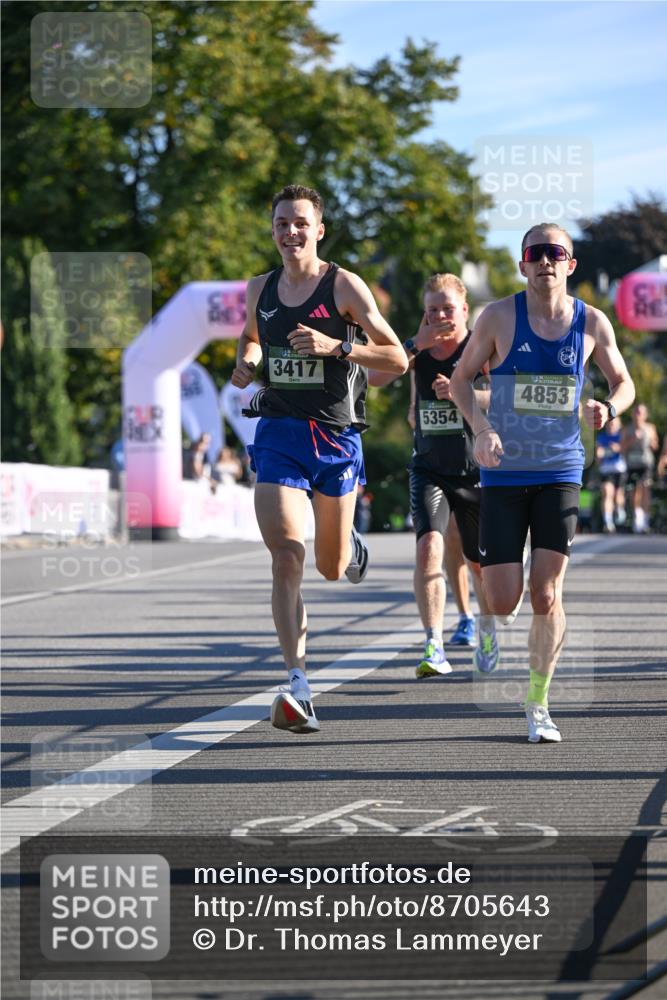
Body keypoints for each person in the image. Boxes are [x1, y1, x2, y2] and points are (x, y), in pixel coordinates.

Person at [231, 183, 407, 734]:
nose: (290, 232)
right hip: (280, 431)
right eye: (282, 223)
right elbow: (252, 337)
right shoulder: (259, 287)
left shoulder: (344, 286)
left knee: (330, 568)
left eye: (300, 223)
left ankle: (350, 542)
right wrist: (247, 362)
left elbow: (398, 358)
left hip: (336, 438)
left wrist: (339, 347)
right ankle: (298, 683)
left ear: (319, 229)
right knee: (287, 553)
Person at [450, 222, 635, 743]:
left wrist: (608, 408)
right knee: (503, 598)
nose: (546, 261)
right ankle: (489, 618)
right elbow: (462, 380)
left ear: (570, 265)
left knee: (546, 591)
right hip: (504, 472)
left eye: (556, 253)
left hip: (560, 469)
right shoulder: (497, 317)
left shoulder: (592, 323)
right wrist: (481, 429)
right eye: (536, 253)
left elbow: (624, 382)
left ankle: (538, 702)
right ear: (523, 264)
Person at [371, 273, 500, 677]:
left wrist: (464, 393)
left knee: (479, 563)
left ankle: (487, 627)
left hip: (474, 468)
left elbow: (504, 398)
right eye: (432, 310)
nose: (440, 316)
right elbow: (374, 378)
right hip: (429, 467)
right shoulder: (418, 349)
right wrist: (412, 344)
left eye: (447, 308)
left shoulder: (480, 347)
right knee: (428, 549)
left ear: (464, 310)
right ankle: (433, 644)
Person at [621, 404, 659, 533]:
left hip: (646, 463)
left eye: (640, 412)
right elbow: (622, 448)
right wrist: (632, 440)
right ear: (632, 415)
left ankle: (646, 520)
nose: (638, 415)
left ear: (645, 415)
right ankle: (638, 516)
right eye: (636, 412)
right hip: (632, 464)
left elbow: (655, 445)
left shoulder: (650, 428)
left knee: (645, 488)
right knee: (634, 491)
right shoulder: (627, 429)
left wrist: (651, 443)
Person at [595, 416, 627, 532]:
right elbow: (598, 456)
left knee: (618, 495)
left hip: (619, 469)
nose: (610, 426)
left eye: (613, 424)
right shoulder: (602, 437)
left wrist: (618, 448)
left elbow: (625, 449)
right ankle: (608, 521)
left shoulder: (621, 436)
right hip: (606, 470)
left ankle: (619, 509)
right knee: (607, 493)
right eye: (609, 424)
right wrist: (599, 454)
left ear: (618, 425)